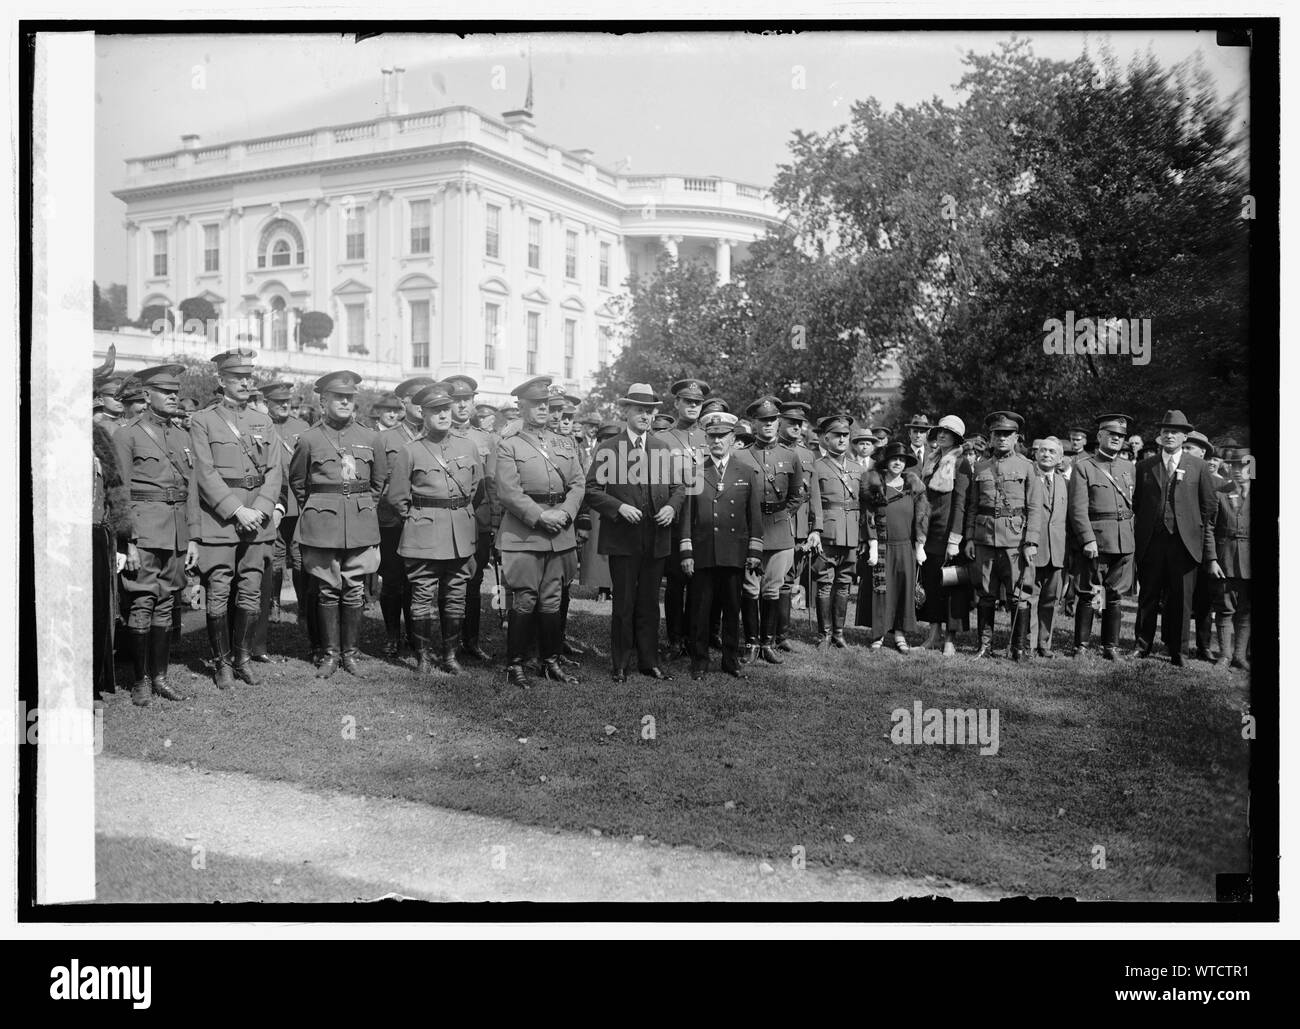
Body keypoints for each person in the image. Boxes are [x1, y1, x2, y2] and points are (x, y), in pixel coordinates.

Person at [188, 349, 283, 690]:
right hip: (221, 521)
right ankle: (221, 663)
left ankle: (242, 658)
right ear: (221, 381)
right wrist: (235, 509)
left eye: (248, 377)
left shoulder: (264, 421)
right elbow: (204, 471)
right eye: (237, 377)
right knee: (218, 591)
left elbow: (274, 471)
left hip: (257, 519)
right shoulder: (203, 420)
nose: (245, 382)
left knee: (250, 590)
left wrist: (259, 507)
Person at [290, 370, 387, 678]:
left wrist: (361, 506)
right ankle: (330, 654)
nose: (345, 402)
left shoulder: (371, 437)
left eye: (349, 398)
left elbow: (378, 482)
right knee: (327, 589)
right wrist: (323, 506)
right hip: (322, 523)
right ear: (323, 400)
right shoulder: (308, 438)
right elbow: (298, 483)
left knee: (355, 588)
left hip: (360, 521)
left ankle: (351, 653)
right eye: (339, 397)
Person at [585, 383, 683, 682]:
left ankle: (648, 660)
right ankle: (620, 662)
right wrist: (618, 508)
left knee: (650, 603)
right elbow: (591, 490)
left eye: (650, 411)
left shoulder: (661, 448)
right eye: (639, 410)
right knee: (624, 603)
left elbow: (679, 487)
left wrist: (672, 508)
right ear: (625, 411)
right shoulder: (608, 448)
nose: (645, 416)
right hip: (623, 538)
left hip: (656, 537)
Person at [386, 382, 485, 676]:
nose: (443, 415)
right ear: (423, 414)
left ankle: (451, 656)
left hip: (460, 533)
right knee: (421, 595)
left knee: (456, 594)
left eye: (446, 409)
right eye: (435, 411)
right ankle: (424, 657)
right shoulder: (411, 451)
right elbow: (397, 497)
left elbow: (476, 489)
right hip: (424, 533)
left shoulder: (467, 446)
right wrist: (420, 517)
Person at [495, 375, 586, 689]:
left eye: (546, 404)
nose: (543, 409)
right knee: (524, 599)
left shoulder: (565, 442)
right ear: (521, 406)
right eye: (536, 404)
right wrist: (540, 516)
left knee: (551, 598)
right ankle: (515, 664)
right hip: (524, 531)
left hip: (559, 529)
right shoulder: (509, 444)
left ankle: (550, 661)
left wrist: (566, 512)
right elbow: (508, 491)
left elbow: (578, 483)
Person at [113, 364, 194, 706]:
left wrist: (193, 539)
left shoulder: (181, 435)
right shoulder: (127, 434)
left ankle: (161, 677)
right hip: (144, 530)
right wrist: (127, 541)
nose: (174, 396)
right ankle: (141, 679)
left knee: (167, 602)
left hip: (176, 530)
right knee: (143, 602)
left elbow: (192, 491)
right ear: (147, 396)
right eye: (166, 392)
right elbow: (120, 492)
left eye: (176, 392)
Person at [676, 412, 764, 681]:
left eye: (722, 436)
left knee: (731, 607)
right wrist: (686, 551)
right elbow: (687, 516)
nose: (716, 441)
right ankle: (699, 660)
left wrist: (754, 551)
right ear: (706, 438)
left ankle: (730, 659)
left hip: (734, 552)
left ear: (732, 439)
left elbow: (754, 517)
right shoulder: (695, 472)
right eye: (711, 436)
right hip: (703, 551)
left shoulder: (747, 472)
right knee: (700, 610)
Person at [1132, 410, 1219, 667]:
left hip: (1185, 543)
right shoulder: (1145, 466)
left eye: (1175, 432)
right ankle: (1142, 645)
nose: (1169, 435)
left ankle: (1179, 651)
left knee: (1182, 598)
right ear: (1159, 436)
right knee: (1148, 595)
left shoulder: (1199, 467)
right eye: (1165, 431)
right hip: (1152, 541)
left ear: (1184, 437)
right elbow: (1138, 504)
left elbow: (1209, 508)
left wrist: (1201, 541)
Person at [963, 411, 1044, 660]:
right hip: (985, 539)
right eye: (997, 434)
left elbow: (1034, 507)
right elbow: (973, 506)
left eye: (1007, 434)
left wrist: (1031, 542)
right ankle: (984, 647)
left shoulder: (1027, 467)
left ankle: (1018, 648)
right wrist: (969, 538)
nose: (1002, 438)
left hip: (1015, 542)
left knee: (1019, 595)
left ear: (1016, 437)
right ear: (991, 437)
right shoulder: (980, 467)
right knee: (985, 594)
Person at [740, 396, 806, 663]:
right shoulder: (740, 455)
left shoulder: (791, 456)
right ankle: (750, 644)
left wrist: (780, 516)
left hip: (779, 531)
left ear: (778, 423)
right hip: (749, 531)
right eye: (762, 420)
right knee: (749, 588)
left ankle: (767, 644)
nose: (768, 424)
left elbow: (797, 495)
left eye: (772, 420)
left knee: (773, 589)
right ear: (753, 424)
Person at [1066, 414, 1137, 659]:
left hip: (1124, 539)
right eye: (1111, 434)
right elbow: (1077, 508)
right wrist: (1087, 538)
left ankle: (1110, 647)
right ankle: (1082, 646)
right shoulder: (1084, 466)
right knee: (1088, 593)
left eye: (1120, 436)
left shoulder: (1128, 467)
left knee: (1114, 595)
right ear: (1099, 437)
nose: (1116, 439)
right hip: (1096, 540)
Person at [252, 380, 312, 663]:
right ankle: (274, 603)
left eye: (288, 402)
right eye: (279, 402)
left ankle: (302, 606)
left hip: (298, 504)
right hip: (273, 502)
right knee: (275, 559)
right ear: (267, 402)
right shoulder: (261, 426)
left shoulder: (303, 428)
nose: (285, 406)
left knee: (299, 558)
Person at [376, 376, 434, 661]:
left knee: (420, 581)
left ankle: (416, 635)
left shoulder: (437, 436)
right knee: (393, 580)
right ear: (403, 402)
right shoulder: (386, 438)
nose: (422, 405)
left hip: (426, 521)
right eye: (416, 398)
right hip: (392, 521)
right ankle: (391, 635)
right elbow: (377, 483)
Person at [806, 415, 877, 648]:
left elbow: (865, 505)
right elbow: (814, 501)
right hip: (828, 530)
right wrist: (815, 530)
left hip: (852, 532)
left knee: (845, 583)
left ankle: (839, 633)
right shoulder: (817, 466)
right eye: (837, 435)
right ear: (826, 438)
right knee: (825, 582)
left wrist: (866, 535)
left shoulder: (857, 468)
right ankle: (824, 634)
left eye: (846, 435)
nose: (842, 439)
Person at [444, 374, 501, 663]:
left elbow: (491, 484)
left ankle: (471, 641)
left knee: (473, 581)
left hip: (476, 520)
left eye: (467, 400)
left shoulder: (485, 438)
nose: (462, 405)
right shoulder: (438, 434)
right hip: (444, 518)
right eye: (456, 400)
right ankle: (445, 643)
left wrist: (493, 522)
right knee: (443, 581)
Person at [656, 379, 710, 660]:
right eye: (687, 401)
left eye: (697, 403)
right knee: (676, 582)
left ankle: (695, 637)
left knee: (701, 583)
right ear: (676, 403)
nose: (692, 406)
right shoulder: (663, 439)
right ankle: (675, 639)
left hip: (705, 521)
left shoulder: (709, 438)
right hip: (675, 521)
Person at [860, 442, 926, 651]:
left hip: (905, 547)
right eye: (894, 459)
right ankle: (879, 634)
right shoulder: (875, 486)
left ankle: (900, 635)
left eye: (902, 459)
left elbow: (922, 517)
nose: (898, 462)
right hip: (882, 547)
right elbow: (867, 517)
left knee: (903, 591)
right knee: (882, 591)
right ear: (886, 462)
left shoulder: (913, 487)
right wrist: (872, 543)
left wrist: (920, 544)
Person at [915, 415, 970, 656]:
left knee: (951, 586)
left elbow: (960, 504)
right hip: (930, 533)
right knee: (931, 585)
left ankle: (950, 640)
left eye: (947, 432)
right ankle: (933, 634)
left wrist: (955, 540)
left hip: (949, 535)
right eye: (939, 431)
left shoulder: (961, 463)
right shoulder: (932, 460)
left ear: (957, 438)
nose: (941, 435)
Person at [93, 415, 132, 698]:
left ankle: (93, 682)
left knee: (97, 611)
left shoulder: (98, 437)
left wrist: (121, 540)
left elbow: (115, 491)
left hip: (96, 535)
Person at [777, 400, 817, 652]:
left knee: (790, 579)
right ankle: (763, 632)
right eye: (790, 422)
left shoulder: (807, 454)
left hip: (800, 527)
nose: (796, 427)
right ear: (779, 422)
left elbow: (814, 496)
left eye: (799, 423)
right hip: (774, 524)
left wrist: (816, 528)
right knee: (771, 579)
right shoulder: (768, 451)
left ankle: (781, 634)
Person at [1184, 430, 1224, 660]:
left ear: (1203, 453)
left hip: (1209, 547)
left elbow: (1212, 520)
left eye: (1191, 448)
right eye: (1185, 447)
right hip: (1182, 546)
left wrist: (1212, 555)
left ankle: (1204, 645)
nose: (1186, 452)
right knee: (1178, 596)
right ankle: (1174, 641)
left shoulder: (1218, 482)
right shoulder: (1178, 475)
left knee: (1205, 600)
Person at [1212, 444, 1251, 671]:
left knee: (1246, 610)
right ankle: (1224, 655)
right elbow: (1210, 528)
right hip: (1225, 556)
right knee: (1225, 608)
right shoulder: (1223, 493)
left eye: (1244, 465)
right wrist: (1212, 559)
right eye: (1233, 465)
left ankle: (1240, 656)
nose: (1237, 470)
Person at [1030, 437, 1069, 658]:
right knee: (1031, 596)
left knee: (1051, 599)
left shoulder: (1065, 483)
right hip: (1035, 548)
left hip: (1058, 550)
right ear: (1036, 454)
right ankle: (1029, 642)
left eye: (1052, 452)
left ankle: (1044, 643)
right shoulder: (1030, 478)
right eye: (1043, 450)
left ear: (1060, 458)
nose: (1046, 455)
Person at [579, 421, 622, 600]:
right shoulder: (596, 456)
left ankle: (612, 587)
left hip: (619, 505)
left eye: (612, 438)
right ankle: (603, 588)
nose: (608, 442)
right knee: (599, 553)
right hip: (598, 507)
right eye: (605, 439)